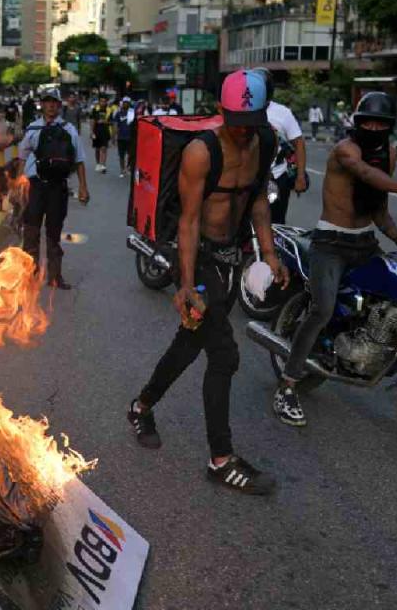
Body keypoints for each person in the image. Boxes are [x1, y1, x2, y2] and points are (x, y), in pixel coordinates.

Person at [127, 69, 287, 495]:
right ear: (221, 112)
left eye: (251, 125)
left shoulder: (265, 141)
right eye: (236, 125)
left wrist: (269, 253)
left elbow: (256, 200)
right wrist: (184, 284)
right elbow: (189, 219)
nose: (243, 134)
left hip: (231, 258)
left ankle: (141, 406)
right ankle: (221, 459)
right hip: (199, 258)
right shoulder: (201, 152)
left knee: (189, 342)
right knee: (225, 355)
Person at [272, 92, 397, 427]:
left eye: (381, 123)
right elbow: (365, 173)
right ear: (358, 122)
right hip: (330, 244)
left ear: (390, 126)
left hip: (364, 243)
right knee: (321, 308)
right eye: (368, 122)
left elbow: (378, 208)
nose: (374, 127)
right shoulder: (345, 150)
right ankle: (288, 385)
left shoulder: (389, 154)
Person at [17, 87, 90, 289]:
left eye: (54, 102)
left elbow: (80, 160)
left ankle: (55, 276)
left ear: (59, 105)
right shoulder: (32, 129)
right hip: (35, 187)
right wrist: (17, 186)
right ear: (42, 105)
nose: (50, 105)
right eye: (47, 101)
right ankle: (30, 274)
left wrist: (83, 187)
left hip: (58, 188)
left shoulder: (69, 130)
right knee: (31, 231)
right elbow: (22, 158)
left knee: (54, 232)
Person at [252, 67, 307, 224]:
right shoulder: (243, 110)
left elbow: (299, 143)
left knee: (275, 221)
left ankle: (274, 248)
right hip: (247, 178)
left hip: (276, 179)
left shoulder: (282, 113)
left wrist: (300, 176)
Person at [112, 97, 135, 177]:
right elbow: (115, 125)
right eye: (124, 102)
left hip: (130, 138)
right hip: (121, 137)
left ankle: (129, 168)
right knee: (121, 155)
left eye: (127, 102)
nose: (125, 104)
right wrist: (113, 137)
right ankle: (122, 170)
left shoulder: (133, 113)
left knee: (131, 154)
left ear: (129, 103)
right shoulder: (118, 113)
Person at [90, 94, 111, 173]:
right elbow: (92, 120)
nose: (103, 103)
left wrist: (106, 121)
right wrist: (91, 132)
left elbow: (112, 121)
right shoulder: (95, 109)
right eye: (101, 101)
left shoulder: (109, 110)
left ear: (106, 102)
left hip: (105, 131)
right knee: (97, 149)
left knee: (104, 148)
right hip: (97, 131)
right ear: (99, 102)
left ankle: (103, 165)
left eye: (104, 101)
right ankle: (98, 163)